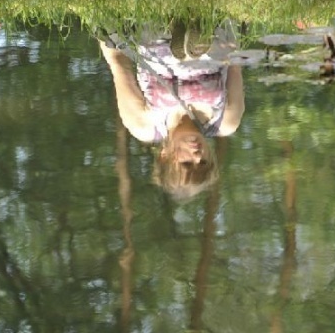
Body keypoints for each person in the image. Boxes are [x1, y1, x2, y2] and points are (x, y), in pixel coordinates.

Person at [99, 20, 245, 201]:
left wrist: (100, 23)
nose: (198, 156)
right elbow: (235, 66)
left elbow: (118, 63)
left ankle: (185, 36)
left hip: (155, 42)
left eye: (187, 163)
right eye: (204, 162)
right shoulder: (226, 122)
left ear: (164, 156)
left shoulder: (144, 126)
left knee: (155, 38)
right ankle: (195, 36)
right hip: (211, 48)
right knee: (212, 50)